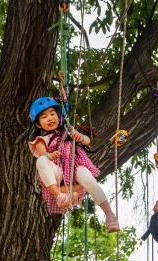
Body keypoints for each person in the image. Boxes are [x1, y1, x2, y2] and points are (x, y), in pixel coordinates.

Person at [28, 97, 120, 233]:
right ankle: (59, 195)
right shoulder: (43, 140)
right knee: (41, 161)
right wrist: (49, 155)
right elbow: (43, 154)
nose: (49, 118)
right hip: (57, 172)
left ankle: (110, 215)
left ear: (59, 116)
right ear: (38, 124)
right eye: (44, 117)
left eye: (52, 114)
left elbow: (87, 141)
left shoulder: (69, 131)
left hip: (74, 169)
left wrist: (78, 136)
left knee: (87, 177)